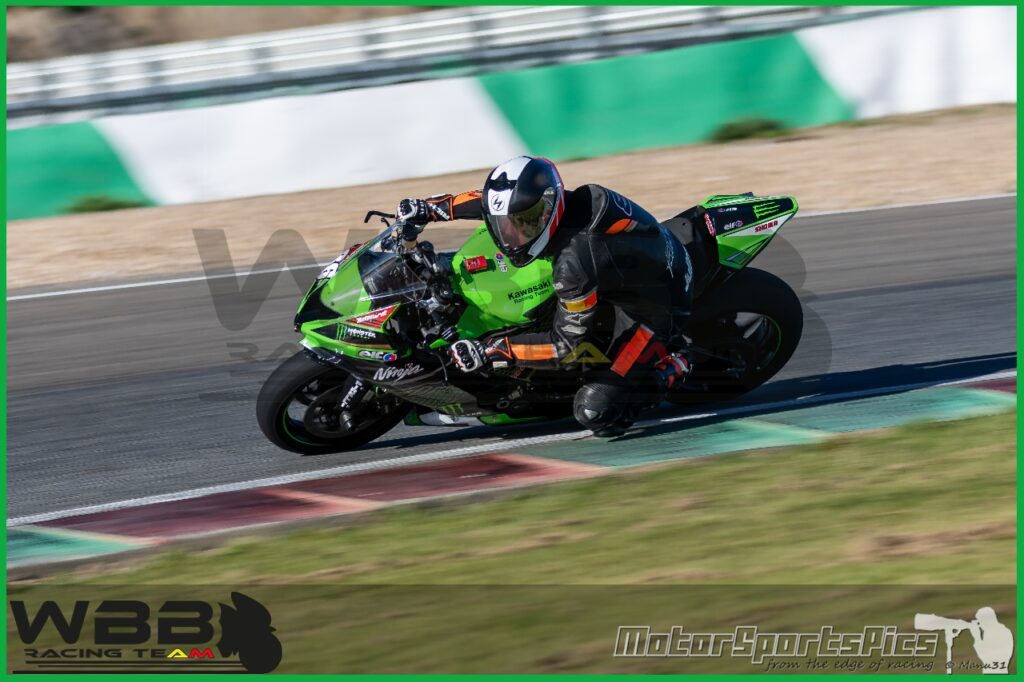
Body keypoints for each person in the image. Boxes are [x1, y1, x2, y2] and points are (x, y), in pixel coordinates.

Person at [396, 155, 694, 436]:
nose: (510, 236)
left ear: (550, 207)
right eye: (508, 223)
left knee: (595, 411)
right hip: (631, 268)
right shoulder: (561, 204)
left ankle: (674, 364)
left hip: (656, 305)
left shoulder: (575, 264)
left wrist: (493, 350)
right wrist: (431, 208)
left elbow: (564, 345)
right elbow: (488, 203)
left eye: (523, 223)